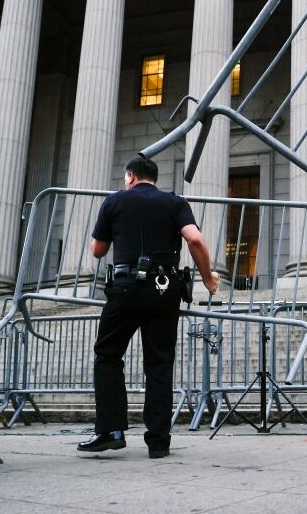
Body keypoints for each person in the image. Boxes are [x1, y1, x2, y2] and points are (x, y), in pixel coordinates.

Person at [77, 156, 219, 459]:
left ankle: (111, 430)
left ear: (130, 177)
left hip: (126, 286)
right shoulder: (174, 202)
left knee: (108, 354)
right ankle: (158, 441)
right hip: (164, 288)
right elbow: (195, 239)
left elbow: (97, 249)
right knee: (159, 362)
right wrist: (208, 278)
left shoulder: (115, 202)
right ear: (154, 178)